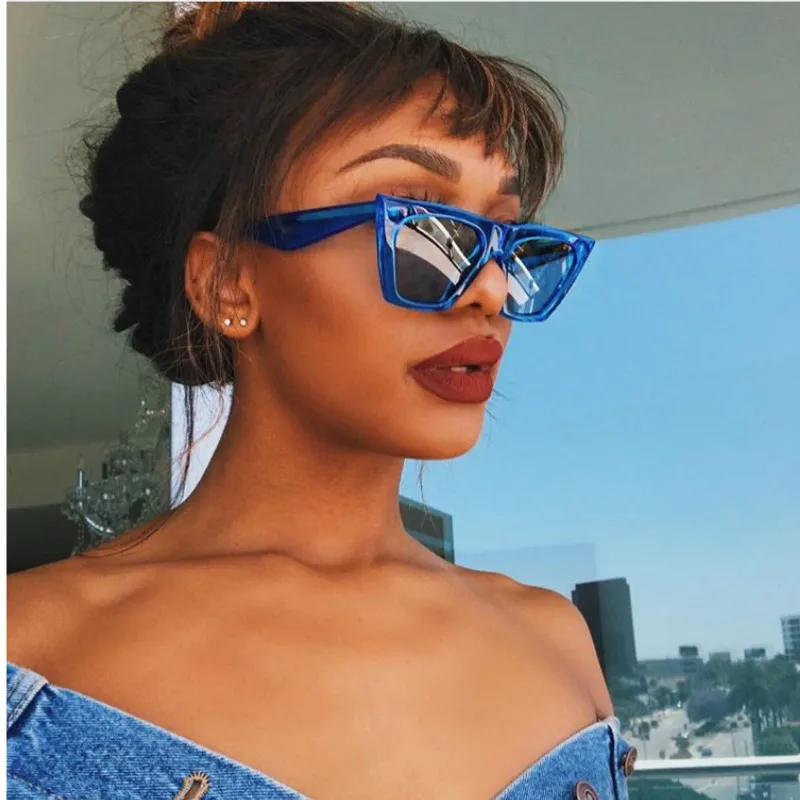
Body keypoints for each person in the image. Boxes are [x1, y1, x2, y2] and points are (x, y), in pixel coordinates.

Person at [7, 3, 636, 798]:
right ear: (227, 281)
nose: (488, 287)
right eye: (420, 230)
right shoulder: (28, 647)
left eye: (505, 237)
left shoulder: (557, 640)